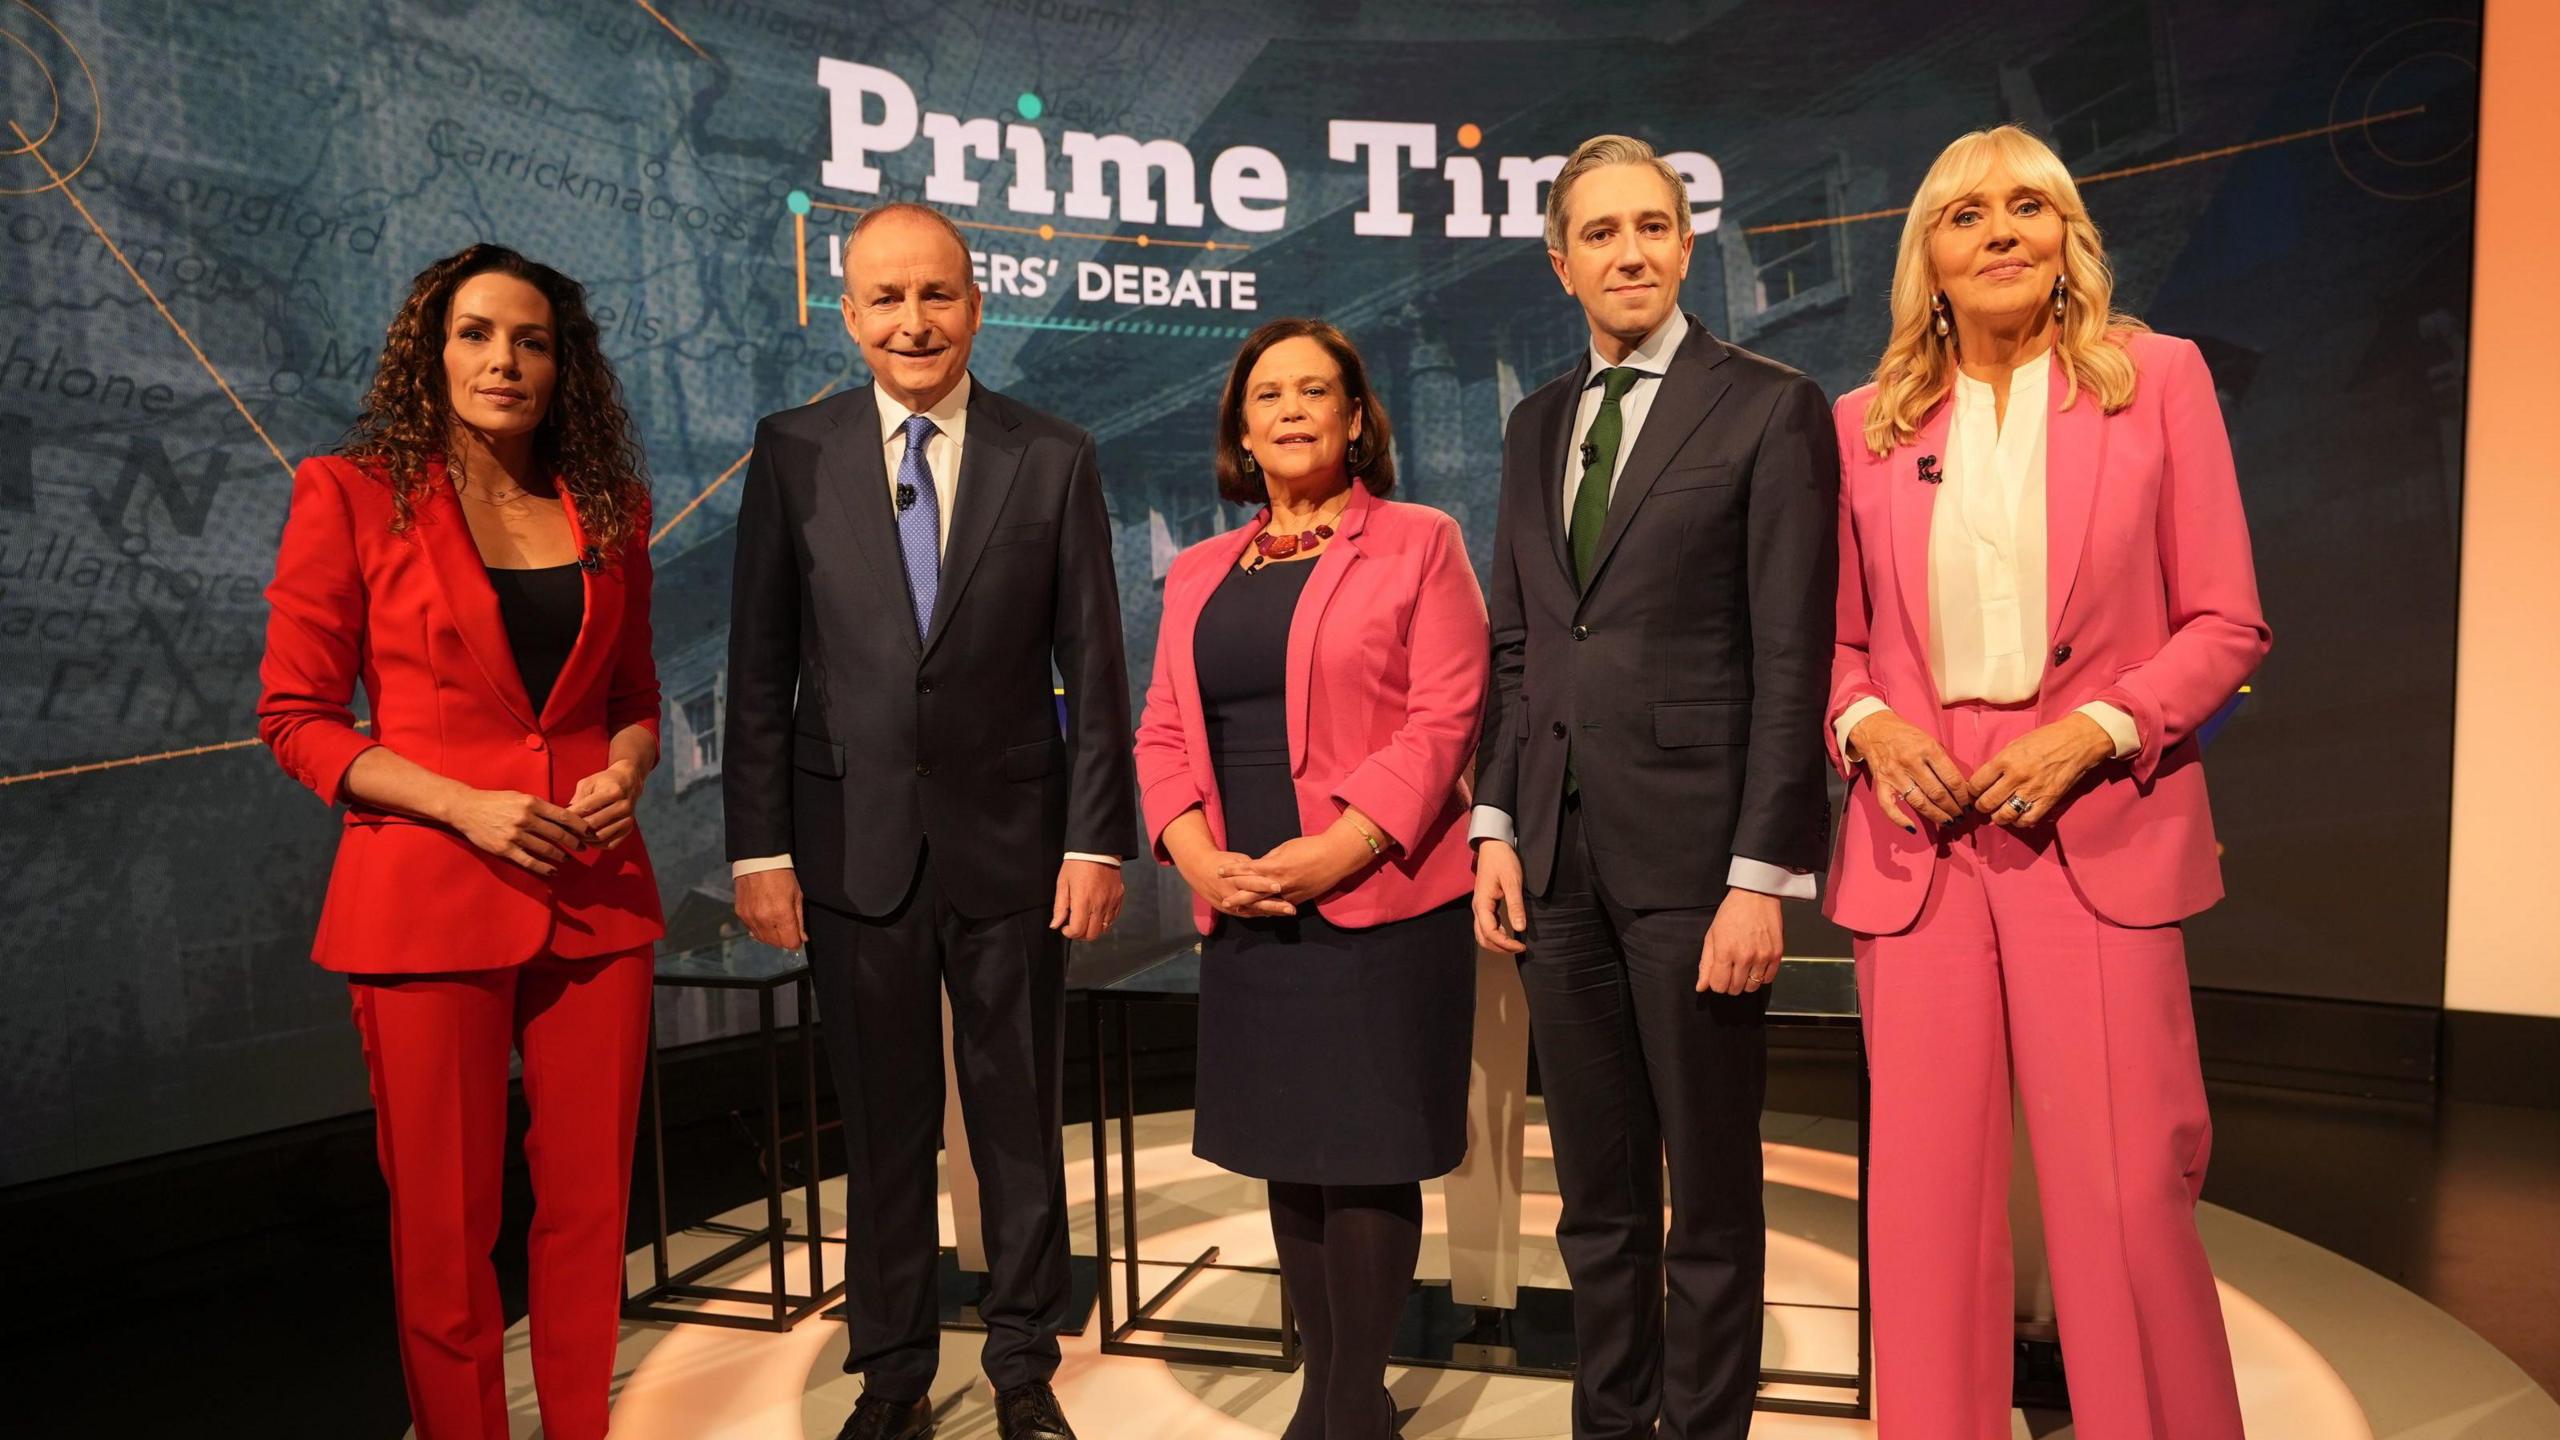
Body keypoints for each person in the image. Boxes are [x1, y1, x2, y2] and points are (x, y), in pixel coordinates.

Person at [1826, 124, 2269, 1439]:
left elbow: (2226, 621)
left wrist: (2094, 731)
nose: (2002, 230)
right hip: (1916, 839)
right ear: (1930, 259)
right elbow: (1832, 646)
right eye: (1967, 214)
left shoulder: (2158, 381)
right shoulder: (1864, 425)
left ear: (2071, 237)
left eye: (2030, 205)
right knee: (1929, 1205)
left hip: (2095, 819)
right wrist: (1868, 726)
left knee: (2126, 1192)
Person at [722, 201, 1139, 1440]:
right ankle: (892, 1374)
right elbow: (758, 669)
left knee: (1015, 1122)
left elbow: (1096, 665)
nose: (915, 320)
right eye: (887, 298)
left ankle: (1024, 1369)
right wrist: (759, 845)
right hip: (850, 857)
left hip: (1015, 853)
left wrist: (1095, 837)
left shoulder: (1051, 453)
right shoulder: (790, 451)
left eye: (938, 295)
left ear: (975, 303)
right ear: (847, 314)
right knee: (886, 1131)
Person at [257, 244, 662, 1440]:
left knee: (590, 1217)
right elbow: (296, 719)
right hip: (425, 896)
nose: (506, 361)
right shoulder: (348, 493)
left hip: (595, 895)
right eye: (478, 334)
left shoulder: (609, 508)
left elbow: (634, 695)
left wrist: (629, 767)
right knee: (445, 1228)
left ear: (562, 365)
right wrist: (458, 802)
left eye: (532, 341)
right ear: (431, 354)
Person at [1470, 134, 1839, 1440]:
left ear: (1685, 247)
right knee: (1597, 1200)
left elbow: (1793, 654)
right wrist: (1495, 824)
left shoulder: (1769, 404)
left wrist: (1763, 878)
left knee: (1713, 1201)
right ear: (1560, 260)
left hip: (1699, 872)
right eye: (1602, 233)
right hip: (1556, 868)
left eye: (1653, 228)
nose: (1629, 252)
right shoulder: (1531, 427)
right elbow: (1520, 644)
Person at [1133, 318, 1489, 1440]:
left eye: (1314, 392)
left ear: (1353, 417)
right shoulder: (1196, 570)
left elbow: (1445, 717)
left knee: (1366, 1152)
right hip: (1243, 907)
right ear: (1241, 425)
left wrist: (1344, 845)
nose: (1289, 410)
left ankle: (1345, 1406)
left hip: (1378, 901)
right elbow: (1160, 734)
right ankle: (1332, 1396)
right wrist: (1195, 856)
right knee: (1291, 1151)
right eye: (1267, 394)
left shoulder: (1419, 541)